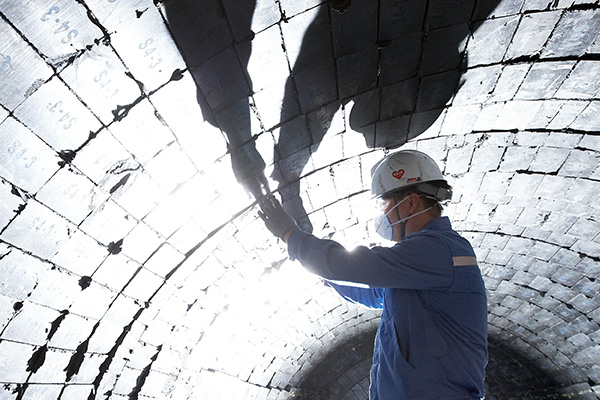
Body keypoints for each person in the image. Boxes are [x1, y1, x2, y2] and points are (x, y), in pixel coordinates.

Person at [258, 149, 488, 400]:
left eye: (385, 203)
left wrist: (290, 234)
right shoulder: (414, 269)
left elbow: (355, 266)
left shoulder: (439, 249)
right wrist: (322, 272)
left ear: (411, 203)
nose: (384, 214)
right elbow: (371, 291)